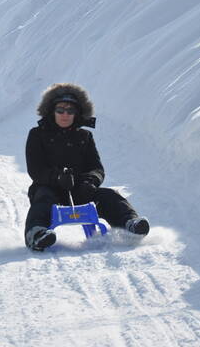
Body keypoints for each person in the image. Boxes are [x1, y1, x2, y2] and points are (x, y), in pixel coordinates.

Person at [24, 83, 149, 251]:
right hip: (50, 188)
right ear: (51, 111)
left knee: (109, 195)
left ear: (77, 114)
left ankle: (130, 224)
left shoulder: (84, 136)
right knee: (43, 198)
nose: (65, 115)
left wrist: (90, 181)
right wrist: (57, 178)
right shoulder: (37, 134)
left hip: (81, 190)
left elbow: (96, 167)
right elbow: (35, 169)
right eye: (60, 110)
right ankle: (36, 233)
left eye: (70, 111)